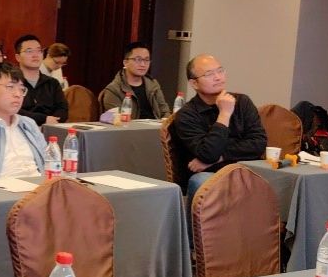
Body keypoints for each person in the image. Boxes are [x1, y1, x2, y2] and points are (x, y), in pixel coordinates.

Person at [173, 55, 267, 195]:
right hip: (211, 173)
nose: (218, 77)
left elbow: (259, 143)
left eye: (220, 71)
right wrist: (224, 114)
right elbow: (208, 154)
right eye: (209, 74)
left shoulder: (242, 102)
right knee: (202, 181)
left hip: (246, 169)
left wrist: (220, 157)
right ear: (194, 83)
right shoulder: (187, 115)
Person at [100, 42, 170, 120]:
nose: (143, 64)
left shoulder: (153, 84)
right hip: (130, 127)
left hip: (156, 126)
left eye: (146, 60)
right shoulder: (113, 90)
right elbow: (117, 120)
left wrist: (166, 122)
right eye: (138, 60)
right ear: (125, 63)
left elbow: (164, 112)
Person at [14, 35, 68, 126]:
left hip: (50, 128)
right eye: (29, 51)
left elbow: (63, 109)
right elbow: (13, 110)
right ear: (18, 57)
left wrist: (52, 121)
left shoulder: (52, 83)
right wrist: (44, 119)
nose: (35, 55)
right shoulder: (11, 82)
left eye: (39, 51)